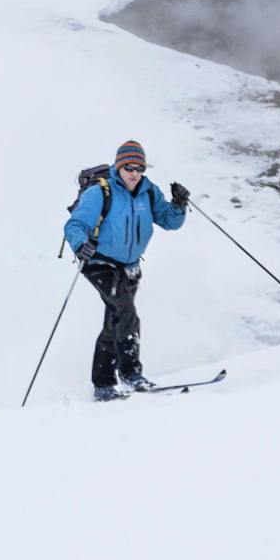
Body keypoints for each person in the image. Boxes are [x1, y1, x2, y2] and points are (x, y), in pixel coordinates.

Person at [61, 141, 188, 399]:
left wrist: (178, 204)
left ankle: (104, 384)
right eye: (128, 167)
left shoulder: (148, 191)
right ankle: (131, 375)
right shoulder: (100, 192)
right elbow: (75, 224)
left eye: (139, 168)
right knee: (125, 312)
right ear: (119, 166)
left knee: (115, 320)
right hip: (99, 263)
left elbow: (169, 221)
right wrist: (79, 244)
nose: (134, 173)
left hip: (130, 267)